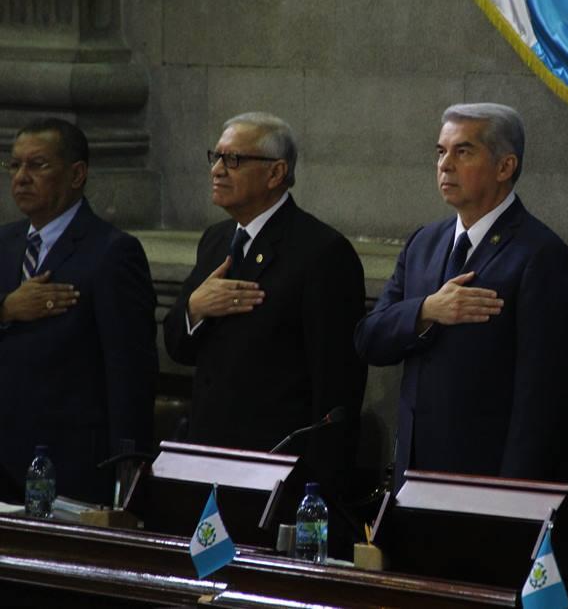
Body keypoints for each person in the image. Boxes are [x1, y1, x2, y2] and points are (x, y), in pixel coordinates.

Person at [355, 103, 568, 490]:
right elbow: (369, 339)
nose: (445, 165)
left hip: (485, 474)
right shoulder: (424, 242)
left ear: (505, 167)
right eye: (441, 152)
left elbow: (541, 396)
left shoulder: (539, 253)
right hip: (413, 471)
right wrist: (426, 310)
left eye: (463, 152)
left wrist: (512, 493)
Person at [163, 112, 365, 490]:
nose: (218, 170)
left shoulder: (321, 251)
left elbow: (336, 386)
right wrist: (194, 308)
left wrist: (319, 486)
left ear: (276, 173)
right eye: (216, 157)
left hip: (276, 466)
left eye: (234, 160)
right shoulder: (216, 239)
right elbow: (177, 345)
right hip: (208, 455)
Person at [0, 118, 157, 504]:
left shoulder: (112, 252)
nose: (21, 177)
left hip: (71, 465)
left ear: (76, 174)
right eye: (14, 165)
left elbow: (130, 371)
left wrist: (126, 470)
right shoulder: (4, 242)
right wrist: (5, 308)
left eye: (37, 166)